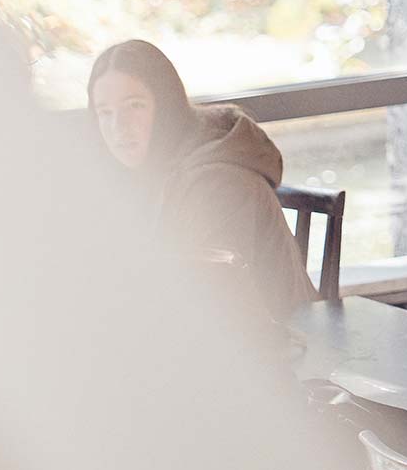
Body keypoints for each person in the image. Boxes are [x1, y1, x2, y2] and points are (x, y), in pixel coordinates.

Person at [87, 40, 316, 319]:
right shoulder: (149, 170)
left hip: (277, 337)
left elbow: (211, 305)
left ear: (167, 106)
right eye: (105, 112)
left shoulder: (218, 182)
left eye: (135, 106)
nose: (118, 127)